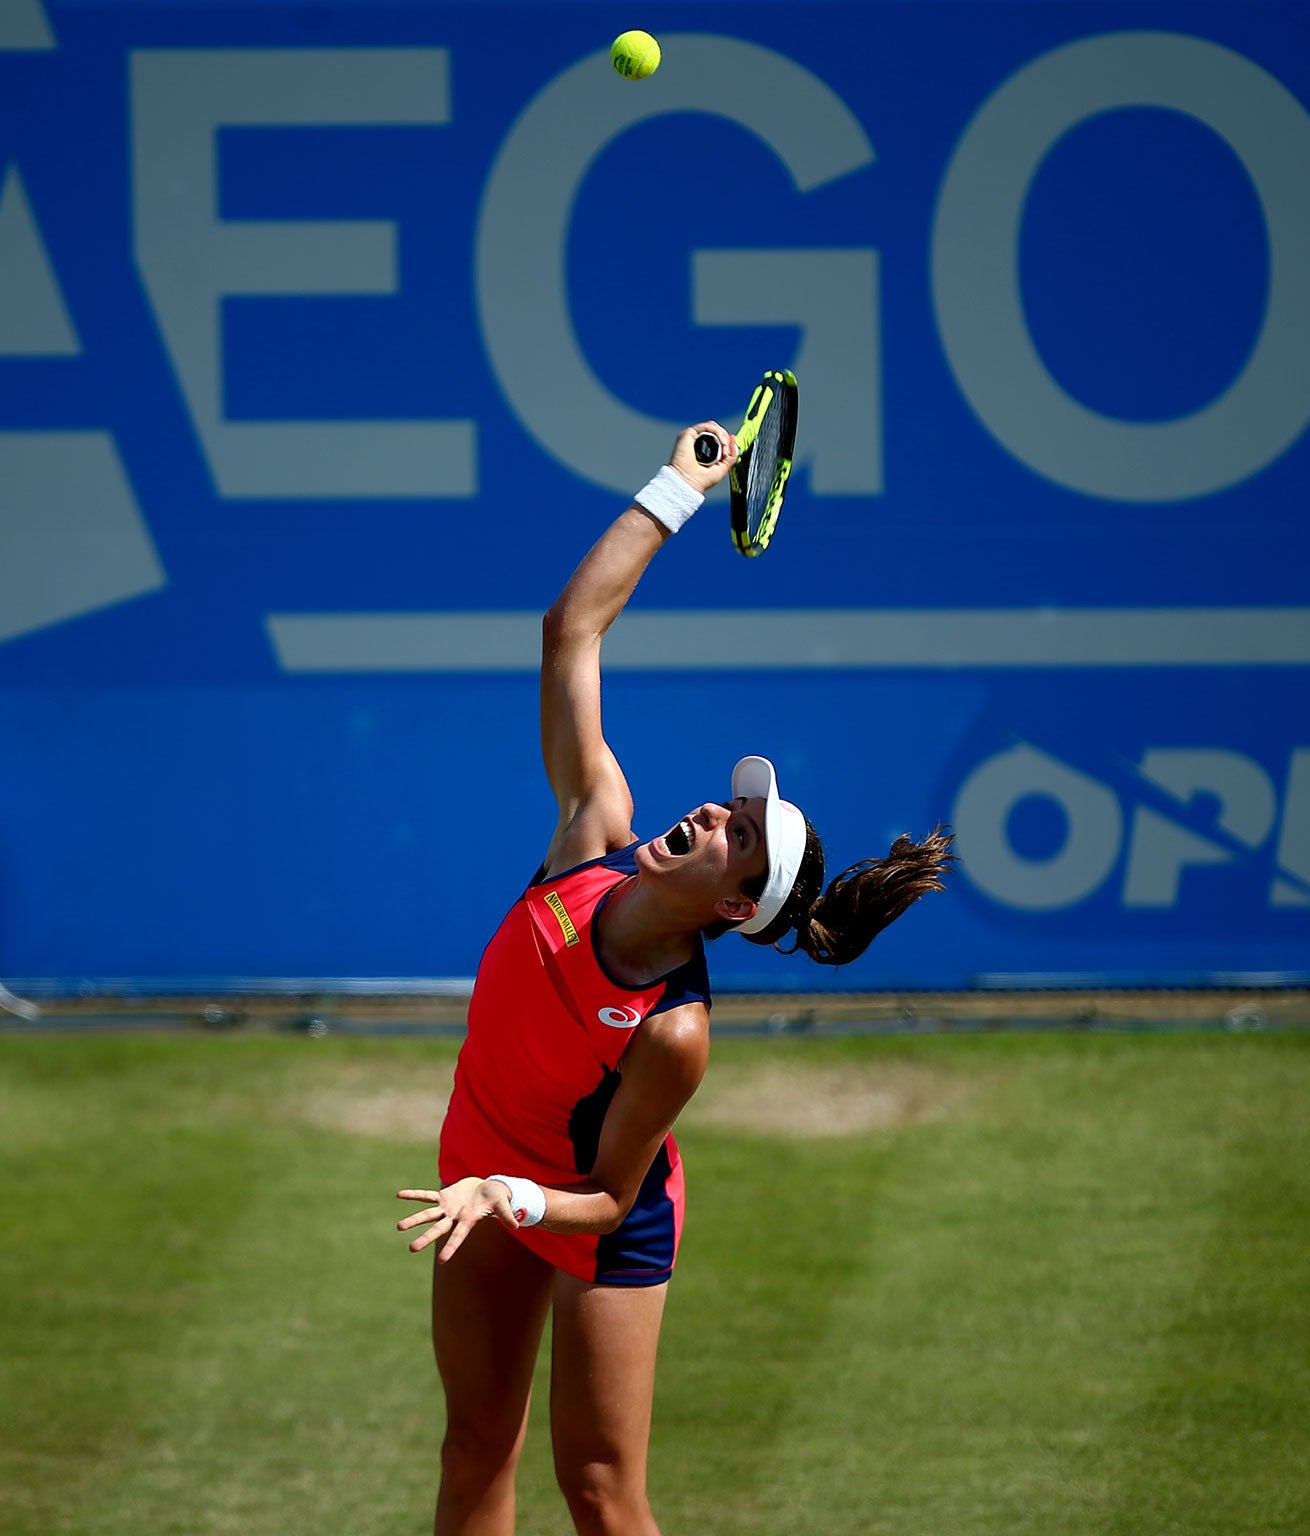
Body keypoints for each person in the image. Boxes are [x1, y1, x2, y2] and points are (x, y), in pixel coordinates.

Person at [396, 418, 954, 1536]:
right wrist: (676, 486)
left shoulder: (671, 1033)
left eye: (735, 835)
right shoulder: (588, 835)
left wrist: (505, 1195)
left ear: (734, 908)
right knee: (472, 1456)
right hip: (481, 1175)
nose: (710, 813)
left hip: (596, 1211)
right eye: (727, 807)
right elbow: (571, 633)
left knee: (600, 1493)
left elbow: (604, 1196)